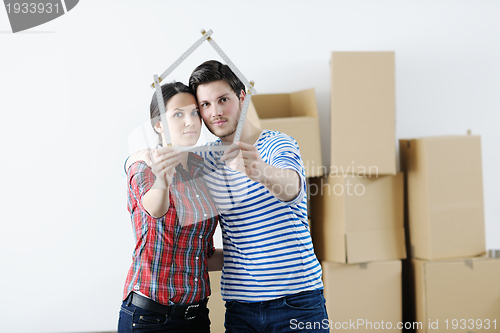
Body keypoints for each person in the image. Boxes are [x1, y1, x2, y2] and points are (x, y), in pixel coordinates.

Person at [188, 60, 329, 332]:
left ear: (242, 96)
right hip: (241, 309)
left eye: (223, 100)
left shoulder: (277, 143)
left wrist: (260, 171)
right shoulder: (205, 159)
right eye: (205, 105)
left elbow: (293, 188)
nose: (215, 112)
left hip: (296, 302)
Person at [118, 82, 222, 333]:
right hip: (149, 318)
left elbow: (201, 254)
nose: (190, 121)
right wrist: (164, 178)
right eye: (178, 114)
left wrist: (263, 254)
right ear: (158, 124)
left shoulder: (203, 169)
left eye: (195, 112)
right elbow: (155, 208)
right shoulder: (143, 165)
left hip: (197, 317)